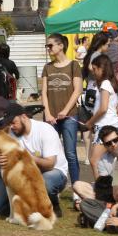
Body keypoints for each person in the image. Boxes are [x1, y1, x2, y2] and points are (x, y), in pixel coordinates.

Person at [0, 103, 68, 217]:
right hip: (23, 175)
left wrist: (27, 157)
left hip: (53, 173)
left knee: (45, 183)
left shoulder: (45, 130)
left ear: (24, 117)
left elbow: (50, 164)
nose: (11, 127)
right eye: (9, 124)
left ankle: (52, 203)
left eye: (13, 122)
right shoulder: (10, 133)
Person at [42, 33, 82, 188]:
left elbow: (77, 90)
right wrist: (47, 113)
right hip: (51, 117)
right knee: (50, 154)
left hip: (69, 116)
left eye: (50, 45)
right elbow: (44, 92)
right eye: (47, 45)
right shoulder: (47, 67)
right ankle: (53, 185)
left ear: (61, 46)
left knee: (70, 153)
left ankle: (76, 187)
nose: (48, 48)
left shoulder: (73, 65)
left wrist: (65, 110)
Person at [81, 54, 118, 179]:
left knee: (94, 160)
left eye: (95, 69)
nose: (93, 73)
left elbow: (103, 108)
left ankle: (100, 190)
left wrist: (90, 122)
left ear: (102, 68)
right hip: (111, 124)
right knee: (116, 158)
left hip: (106, 127)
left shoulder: (105, 83)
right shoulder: (112, 83)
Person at [72, 126, 118, 204]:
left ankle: (93, 204)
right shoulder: (103, 160)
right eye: (108, 143)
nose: (113, 144)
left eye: (115, 140)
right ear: (104, 145)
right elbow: (103, 185)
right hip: (112, 190)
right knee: (77, 185)